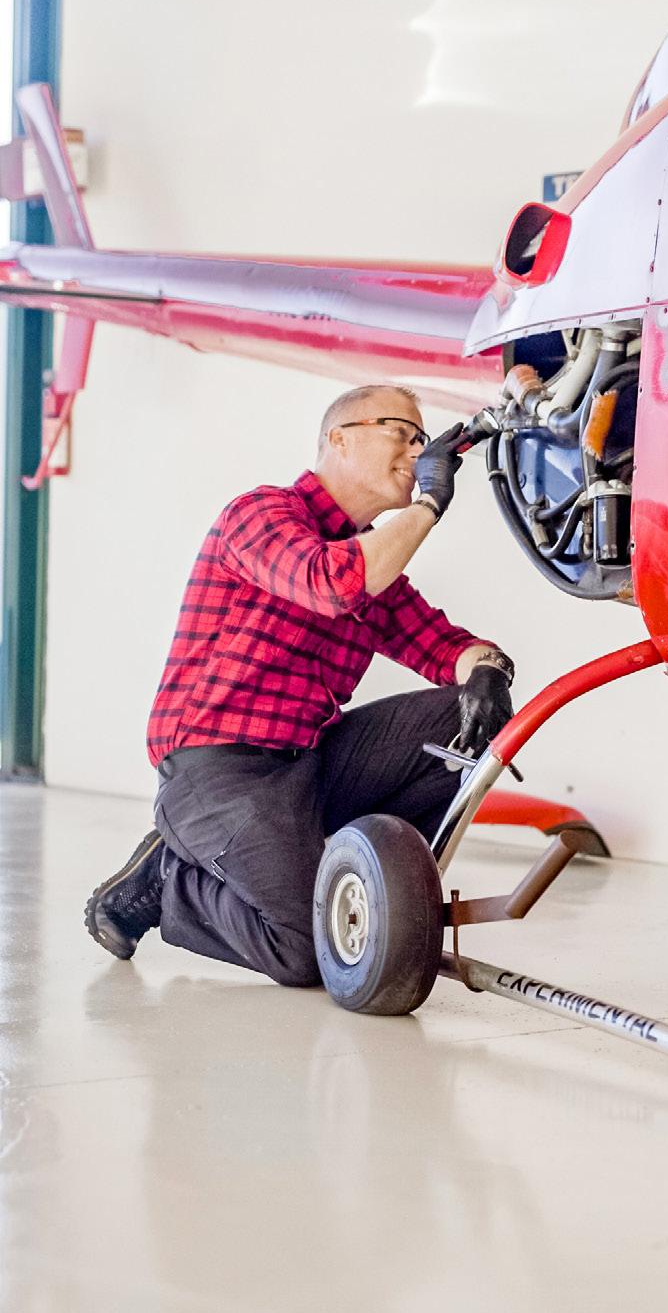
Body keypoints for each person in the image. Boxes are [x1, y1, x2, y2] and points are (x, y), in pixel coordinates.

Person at [84, 382, 514, 987]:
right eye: (401, 433)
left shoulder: (373, 567)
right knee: (313, 950)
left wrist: (488, 670)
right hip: (218, 767)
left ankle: (362, 875)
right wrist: (428, 505)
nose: (419, 452)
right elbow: (331, 583)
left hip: (306, 764)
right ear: (339, 439)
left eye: (423, 440)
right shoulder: (261, 514)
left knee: (464, 719)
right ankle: (167, 880)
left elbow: (445, 645)